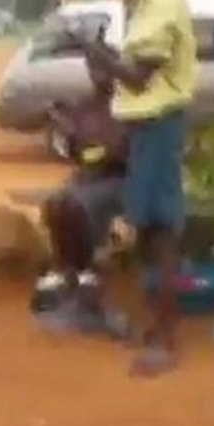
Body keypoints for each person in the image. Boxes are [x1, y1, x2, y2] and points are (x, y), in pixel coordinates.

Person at [70, 0, 197, 377]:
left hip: (158, 128)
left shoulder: (163, 0)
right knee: (150, 233)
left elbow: (138, 76)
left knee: (161, 235)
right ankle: (160, 329)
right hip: (151, 129)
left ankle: (165, 340)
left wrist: (94, 51)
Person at [31, 55, 132, 340]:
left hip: (120, 180)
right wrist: (67, 131)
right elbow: (79, 153)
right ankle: (71, 274)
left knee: (77, 205)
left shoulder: (128, 106)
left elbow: (120, 154)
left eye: (104, 68)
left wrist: (94, 148)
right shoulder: (84, 108)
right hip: (86, 179)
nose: (100, 75)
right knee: (56, 204)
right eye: (94, 68)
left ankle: (86, 276)